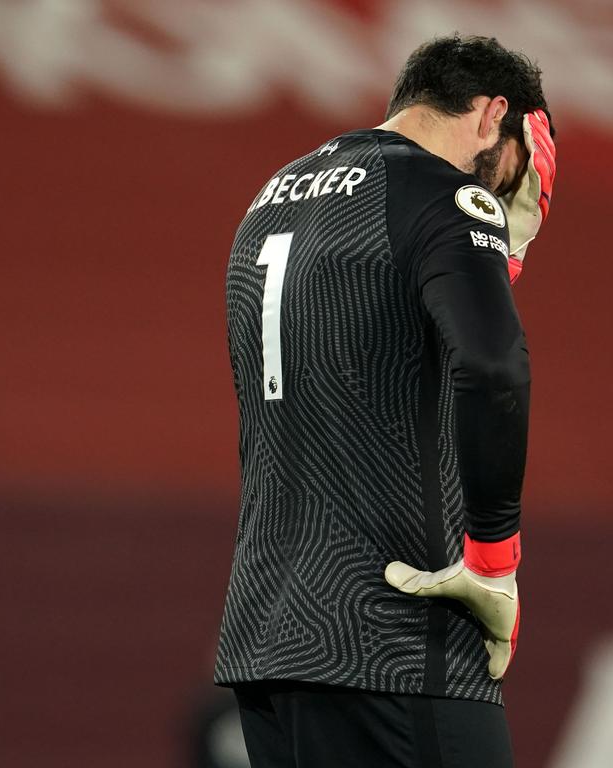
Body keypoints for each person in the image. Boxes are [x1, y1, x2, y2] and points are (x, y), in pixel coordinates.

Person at [213, 33, 557, 768]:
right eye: (525, 159)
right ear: (497, 113)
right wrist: (494, 561)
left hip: (269, 643)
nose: (510, 190)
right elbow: (494, 366)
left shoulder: (275, 196)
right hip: (397, 637)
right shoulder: (445, 197)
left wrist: (506, 257)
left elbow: (377, 349)